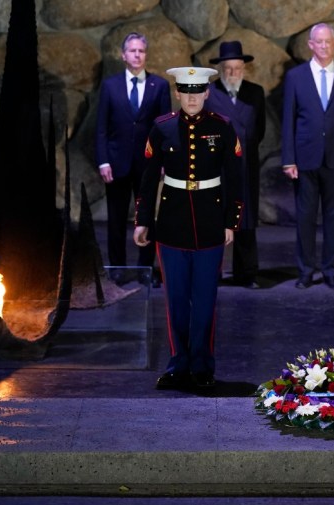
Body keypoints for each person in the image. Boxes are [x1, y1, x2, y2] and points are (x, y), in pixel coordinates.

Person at [133, 66, 244, 391]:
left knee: (205, 299)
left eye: (198, 91)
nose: (192, 97)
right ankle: (178, 364)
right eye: (186, 91)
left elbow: (235, 177)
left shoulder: (221, 127)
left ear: (207, 93)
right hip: (171, 225)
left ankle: (201, 366)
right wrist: (142, 220)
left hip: (210, 224)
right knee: (176, 300)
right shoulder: (162, 127)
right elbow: (149, 176)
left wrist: (231, 221)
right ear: (178, 93)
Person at [281, 23, 334, 290]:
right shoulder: (296, 77)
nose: (324, 46)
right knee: (305, 217)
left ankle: (331, 270)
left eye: (328, 41)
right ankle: (305, 271)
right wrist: (288, 158)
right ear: (311, 45)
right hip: (304, 159)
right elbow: (289, 119)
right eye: (319, 41)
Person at [95, 32, 171, 286]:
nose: (137, 55)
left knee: (146, 216)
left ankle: (145, 268)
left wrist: (161, 162)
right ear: (123, 55)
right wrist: (103, 161)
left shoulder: (158, 86)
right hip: (116, 163)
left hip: (147, 164)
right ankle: (116, 267)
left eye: (141, 51)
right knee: (116, 218)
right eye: (133, 51)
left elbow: (164, 129)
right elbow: (102, 127)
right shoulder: (110, 86)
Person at [201, 41, 267, 289]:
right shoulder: (209, 92)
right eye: (228, 68)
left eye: (237, 68)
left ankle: (247, 273)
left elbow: (259, 130)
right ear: (220, 69)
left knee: (245, 220)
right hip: (217, 168)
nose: (232, 73)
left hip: (245, 167)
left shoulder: (255, 93)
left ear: (244, 68)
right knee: (216, 219)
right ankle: (212, 271)